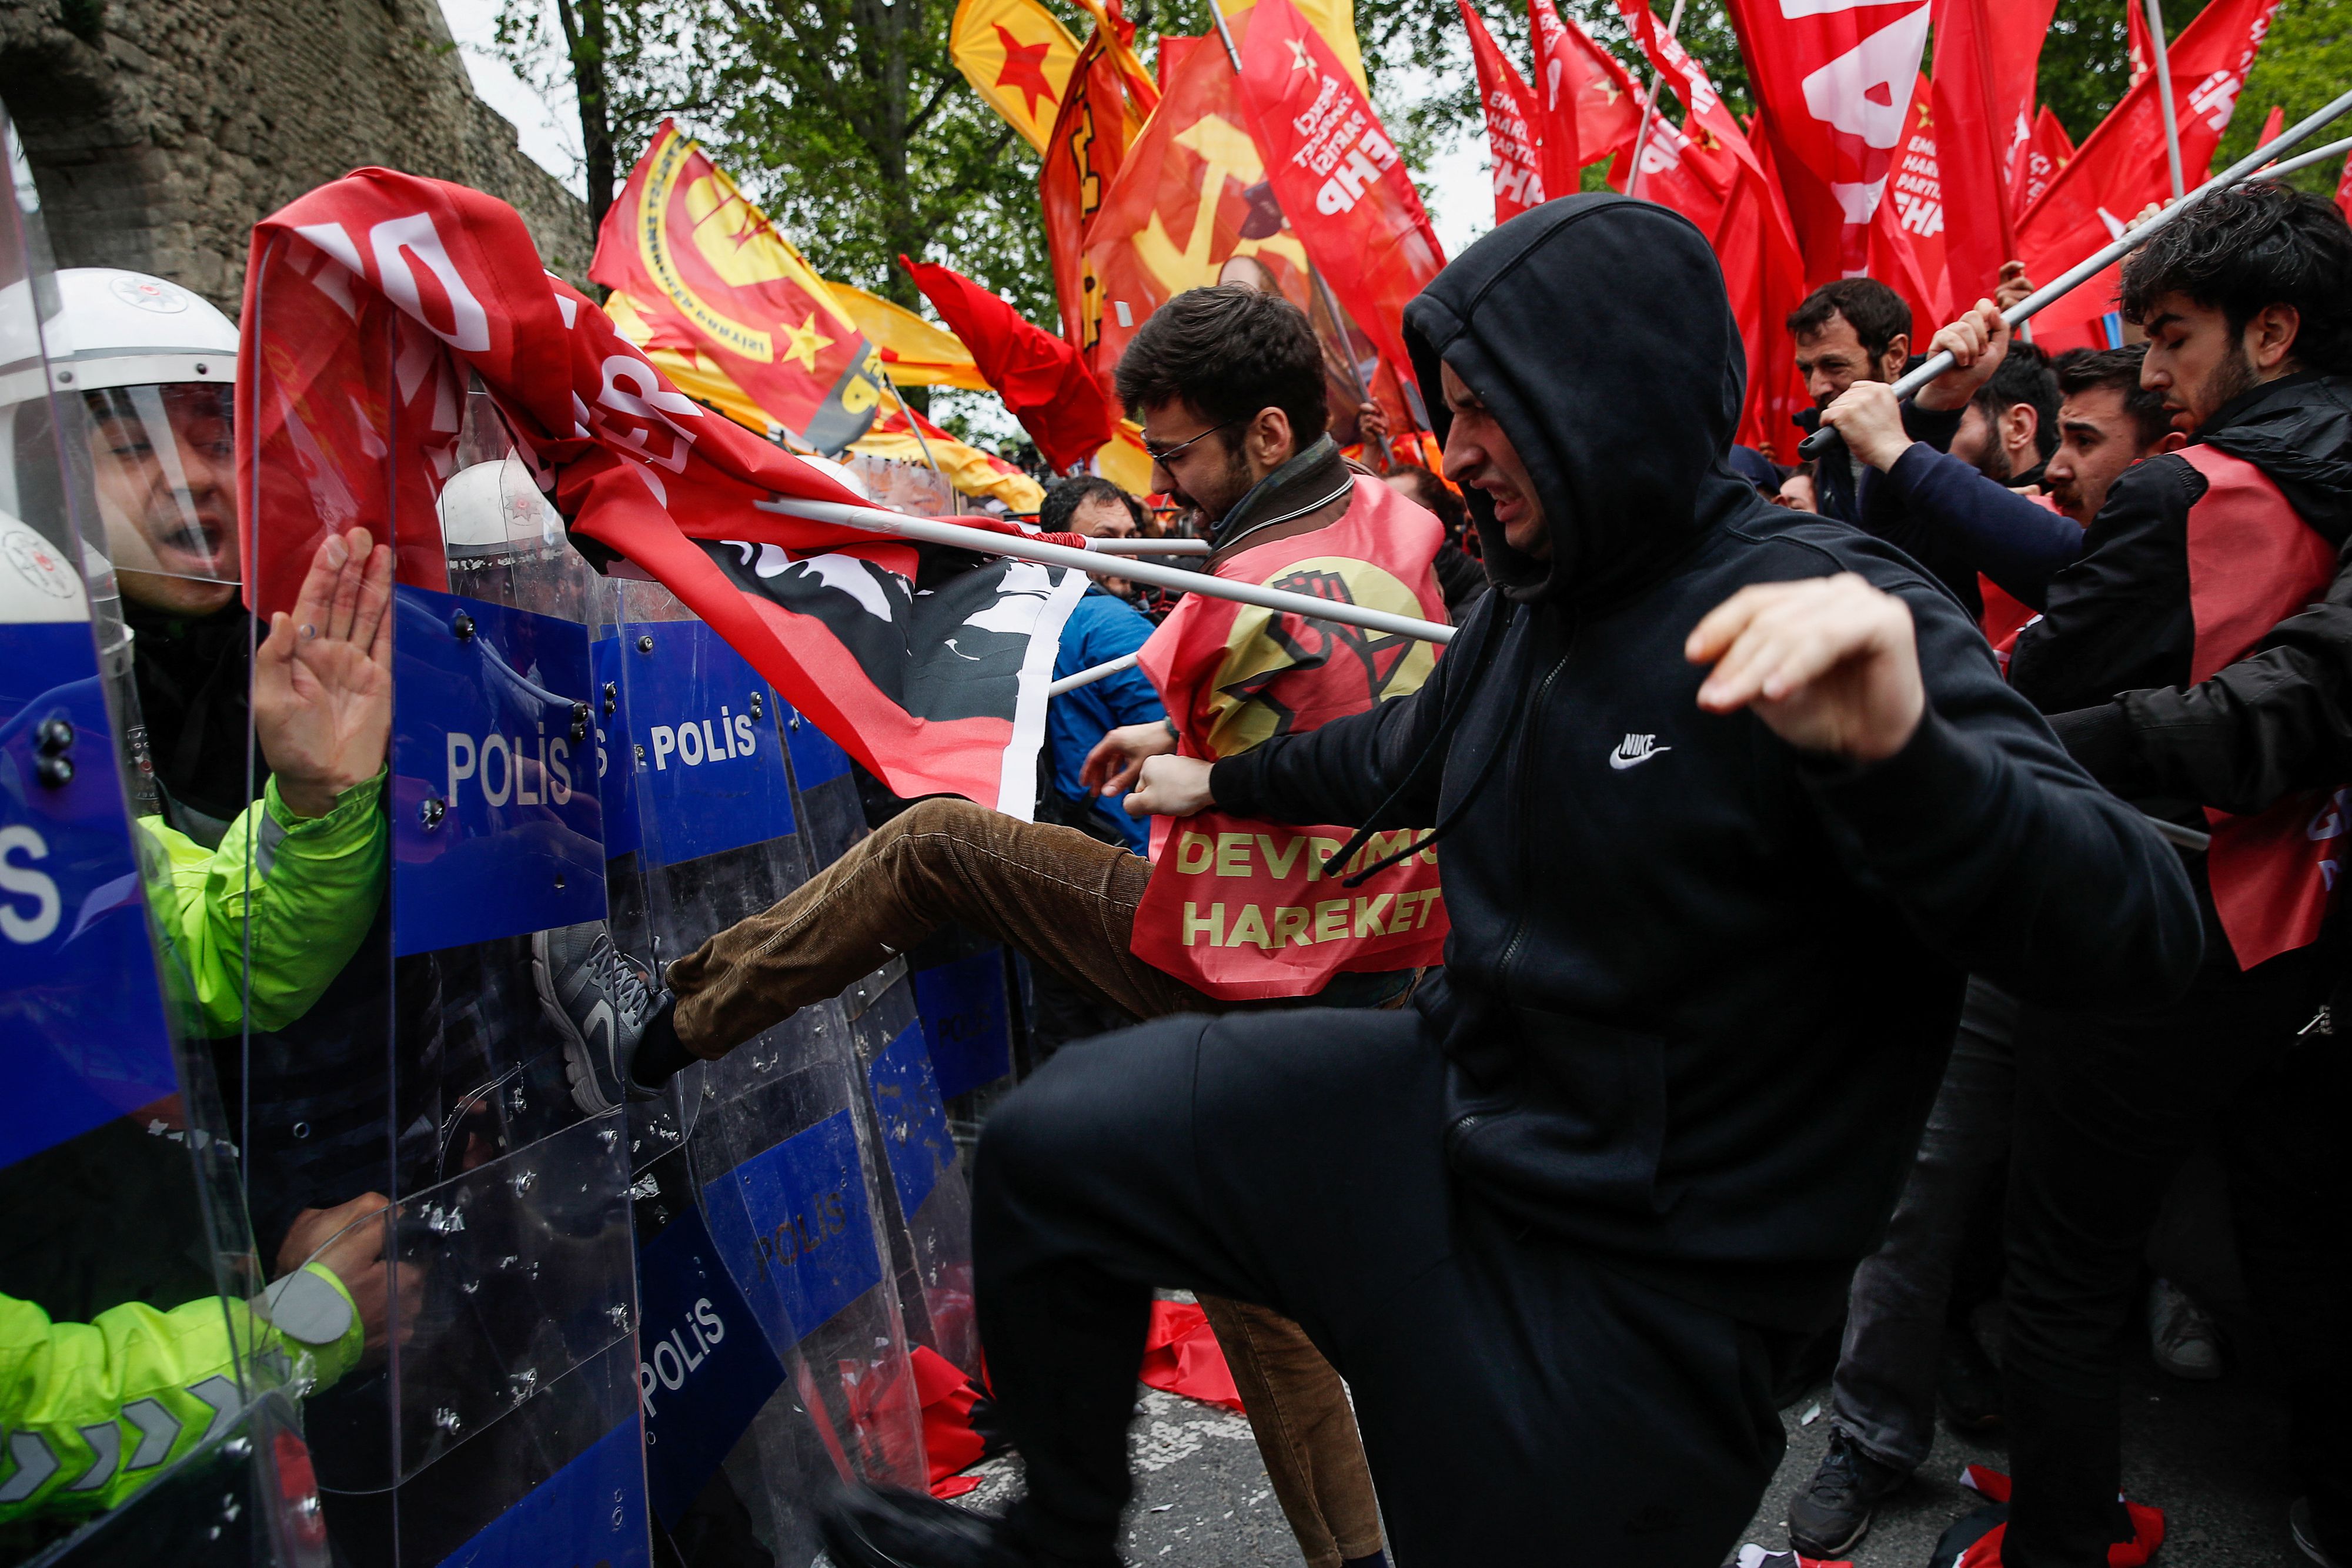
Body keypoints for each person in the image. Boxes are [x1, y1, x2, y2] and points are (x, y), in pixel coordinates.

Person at [806, 193, 2201, 1568]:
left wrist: (1905, 759)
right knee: (1060, 1153)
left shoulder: (1831, 606)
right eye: (1449, 404)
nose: (1454, 447)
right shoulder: (1533, 598)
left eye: (1488, 407)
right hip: (1454, 1119)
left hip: (1649, 1295)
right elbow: (1403, 751)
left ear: (1607, 394)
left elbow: (2144, 928)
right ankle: (1056, 1542)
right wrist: (1210, 777)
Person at [615, 285, 1465, 1568]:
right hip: (1356, 969)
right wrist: (1179, 740)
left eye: (1177, 452)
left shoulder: (1258, 575)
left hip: (1245, 954)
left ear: (1267, 426)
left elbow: (1302, 723)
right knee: (1259, 1300)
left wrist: (1215, 772)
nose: (1164, 486)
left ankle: (657, 1024)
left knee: (935, 846)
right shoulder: (1392, 524)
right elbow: (1360, 716)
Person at [1935, 182, 2352, 1568]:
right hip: (2302, 927)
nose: (2154, 376)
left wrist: (1920, 729)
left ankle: (2063, 1538)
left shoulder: (2191, 487)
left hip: (2161, 918)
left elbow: (2039, 681)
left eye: (2171, 338)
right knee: (2293, 1222)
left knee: (2062, 1262)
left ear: (2274, 332)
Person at [1782, 337, 2182, 1561]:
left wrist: (1895, 441)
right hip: (1999, 918)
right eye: (2051, 436)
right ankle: (1873, 1432)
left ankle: (2072, 1485)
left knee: (2074, 1242)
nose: (2056, 467)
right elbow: (1895, 556)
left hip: (2125, 918)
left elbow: (2052, 565)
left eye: (2084, 444)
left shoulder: (2166, 527)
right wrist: (1869, 463)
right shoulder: (1997, 505)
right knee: (1928, 1184)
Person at [1375, 463, 1487, 611]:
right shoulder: (1368, 568)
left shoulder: (1479, 588)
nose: (1375, 516)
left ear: (1427, 519)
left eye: (1390, 508)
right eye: (1375, 505)